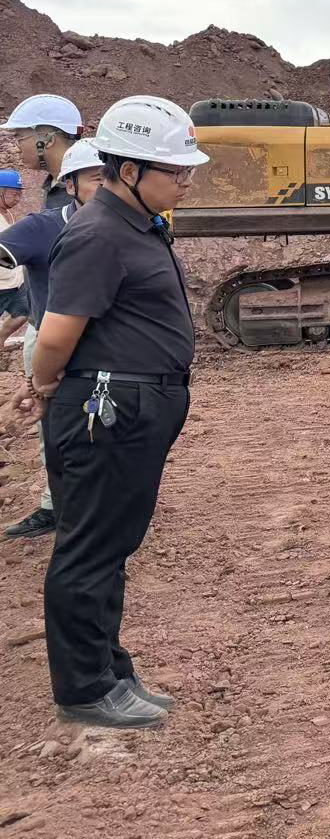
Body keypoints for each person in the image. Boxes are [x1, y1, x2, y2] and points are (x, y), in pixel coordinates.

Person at [11, 97, 206, 729]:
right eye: (176, 170)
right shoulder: (98, 234)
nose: (187, 180)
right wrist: (41, 387)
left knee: (111, 543)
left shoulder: (136, 224)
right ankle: (85, 689)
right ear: (129, 171)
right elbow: (56, 335)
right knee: (90, 548)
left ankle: (110, 668)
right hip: (109, 409)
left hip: (135, 406)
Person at [1, 141, 104, 541]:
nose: (107, 187)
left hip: (106, 347)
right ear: (70, 185)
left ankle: (103, 511)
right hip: (50, 345)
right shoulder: (42, 227)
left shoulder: (133, 229)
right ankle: (56, 508)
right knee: (56, 434)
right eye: (97, 178)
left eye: (112, 177)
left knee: (104, 429)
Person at [2, 94, 85, 216]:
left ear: (48, 140)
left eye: (20, 138)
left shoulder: (84, 191)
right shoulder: (56, 184)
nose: (17, 148)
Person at [0, 168, 27, 349]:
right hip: (2, 282)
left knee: (25, 310)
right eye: (14, 194)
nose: (18, 199)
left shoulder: (7, 213)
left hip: (14, 281)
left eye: (19, 194)